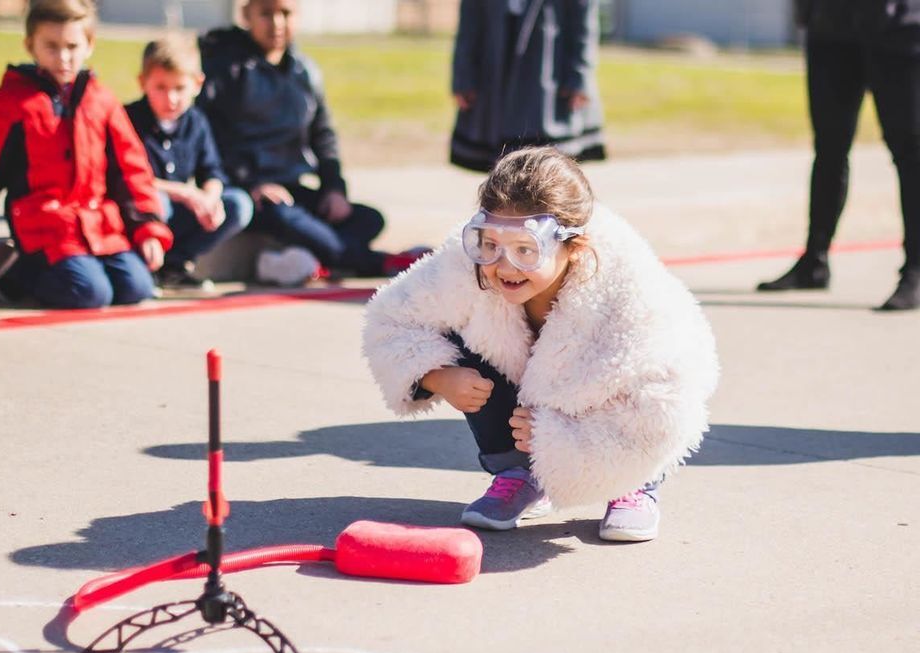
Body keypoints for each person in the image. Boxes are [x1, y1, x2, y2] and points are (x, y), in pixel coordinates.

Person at [362, 147, 718, 542]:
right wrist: (436, 376)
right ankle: (519, 472)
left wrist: (560, 440)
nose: (505, 266)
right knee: (457, 325)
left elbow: (664, 411)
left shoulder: (636, 297)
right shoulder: (465, 264)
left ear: (574, 246)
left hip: (628, 426)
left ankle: (634, 486)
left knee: (634, 384)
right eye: (490, 244)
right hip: (529, 418)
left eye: (526, 249)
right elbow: (389, 319)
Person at [0, 0, 171, 309]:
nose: (63, 57)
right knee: (90, 294)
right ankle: (22, 273)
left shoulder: (102, 101)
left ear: (89, 45)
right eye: (51, 46)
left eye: (72, 46)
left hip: (99, 224)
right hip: (44, 228)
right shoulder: (11, 104)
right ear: (31, 45)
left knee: (136, 287)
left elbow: (131, 168)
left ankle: (83, 270)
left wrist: (148, 228)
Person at [197, 0, 413, 285]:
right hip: (253, 196)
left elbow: (323, 136)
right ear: (246, 15)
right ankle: (379, 261)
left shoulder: (305, 71)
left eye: (285, 14)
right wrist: (250, 184)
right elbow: (206, 139)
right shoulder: (224, 69)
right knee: (288, 219)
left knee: (369, 219)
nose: (276, 23)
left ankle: (309, 259)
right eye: (266, 14)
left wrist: (334, 188)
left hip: (295, 191)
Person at [756, 0, 920, 311]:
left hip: (897, 26)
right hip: (830, 27)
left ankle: (916, 270)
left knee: (910, 152)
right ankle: (814, 263)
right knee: (829, 148)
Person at [125, 33, 254, 292]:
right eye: (160, 87)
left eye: (179, 88)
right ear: (143, 83)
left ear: (197, 84)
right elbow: (128, 176)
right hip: (144, 214)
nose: (171, 98)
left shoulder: (196, 122)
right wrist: (183, 192)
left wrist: (209, 197)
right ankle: (148, 268)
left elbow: (212, 171)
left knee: (238, 204)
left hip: (182, 215)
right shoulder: (129, 120)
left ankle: (176, 264)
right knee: (158, 203)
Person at [450, 0, 606, 173]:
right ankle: (505, 196)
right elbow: (469, 23)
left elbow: (583, 24)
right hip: (496, 65)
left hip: (548, 67)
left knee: (547, 165)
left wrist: (579, 77)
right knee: (503, 162)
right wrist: (463, 78)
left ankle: (544, 197)